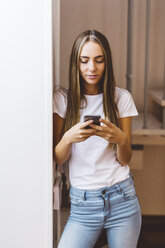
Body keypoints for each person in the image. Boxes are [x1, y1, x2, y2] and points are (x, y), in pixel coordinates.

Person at [53, 30, 141, 248]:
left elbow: (125, 160)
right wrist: (68, 138)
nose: (92, 68)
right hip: (83, 204)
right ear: (76, 63)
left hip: (122, 198)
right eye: (84, 61)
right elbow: (59, 158)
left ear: (107, 62)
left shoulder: (121, 98)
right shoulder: (62, 99)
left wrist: (121, 139)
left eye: (99, 60)